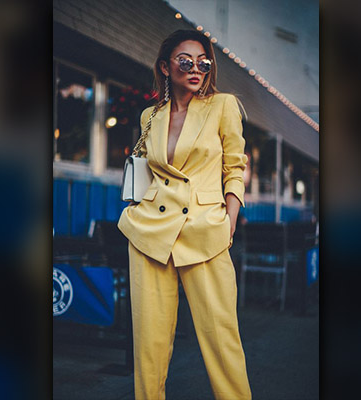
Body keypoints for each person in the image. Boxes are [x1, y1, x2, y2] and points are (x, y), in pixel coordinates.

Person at [117, 29, 252, 400]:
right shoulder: (151, 114)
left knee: (222, 341)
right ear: (165, 67)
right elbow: (144, 167)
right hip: (151, 232)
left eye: (204, 63)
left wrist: (230, 220)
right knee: (150, 347)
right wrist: (134, 208)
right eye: (185, 61)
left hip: (205, 231)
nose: (196, 69)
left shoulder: (222, 106)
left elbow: (235, 168)